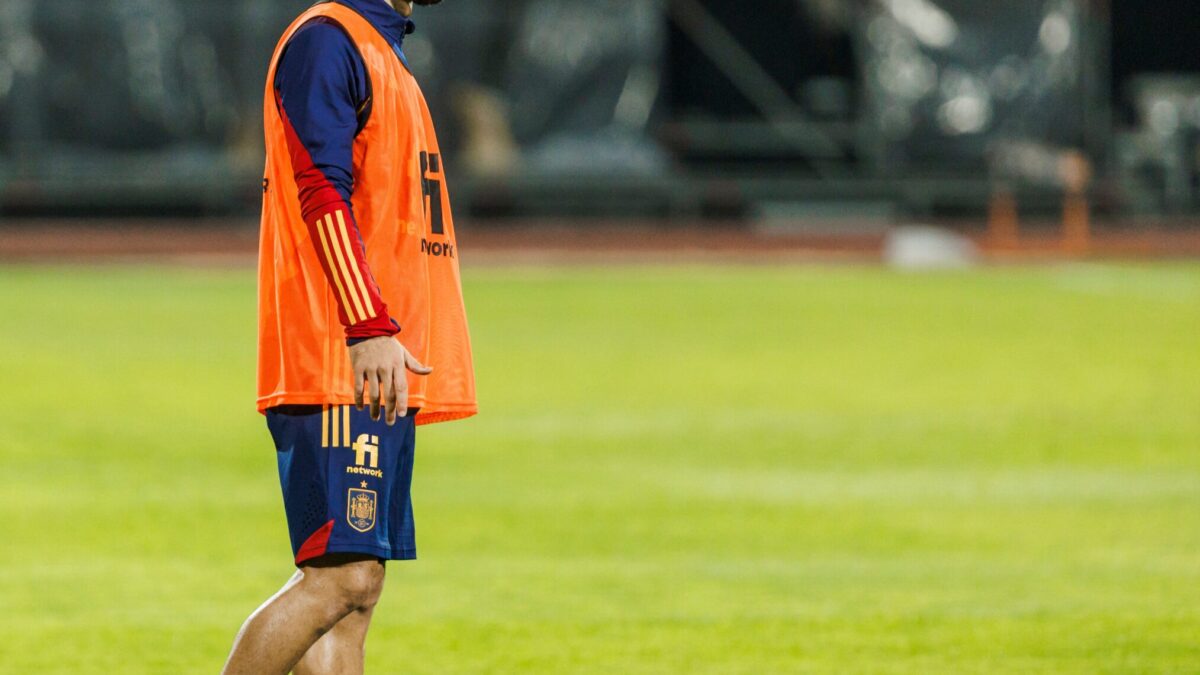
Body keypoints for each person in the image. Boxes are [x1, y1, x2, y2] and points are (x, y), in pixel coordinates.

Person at [223, 0, 475, 672]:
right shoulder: (327, 42)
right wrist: (367, 324)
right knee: (344, 579)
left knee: (354, 603)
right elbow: (320, 189)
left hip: (377, 359)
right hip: (339, 352)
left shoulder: (377, 49)